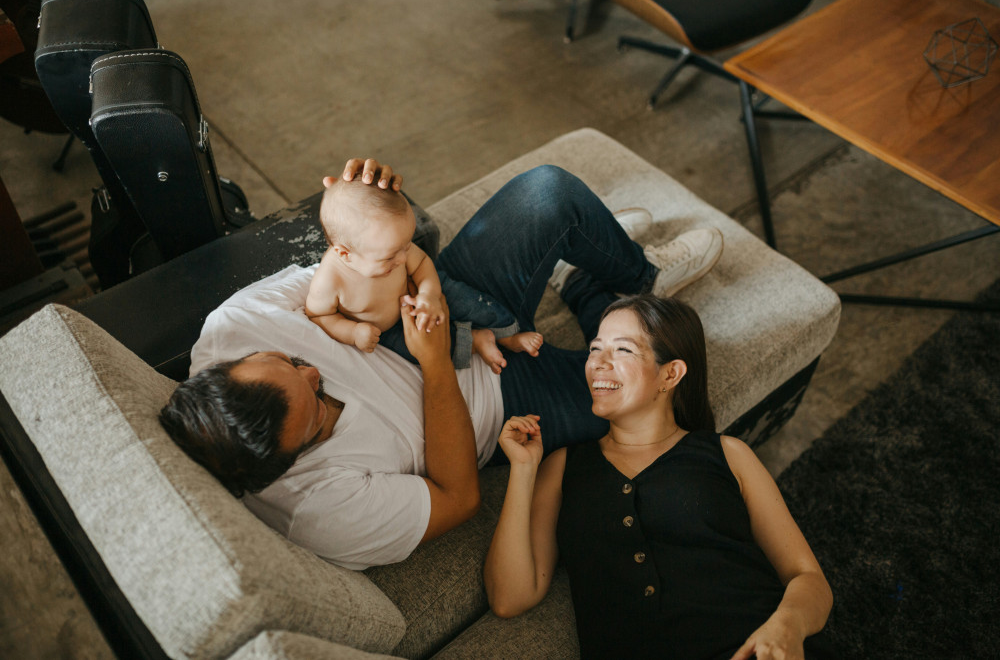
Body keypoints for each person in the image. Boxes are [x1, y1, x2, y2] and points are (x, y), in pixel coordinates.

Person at [158, 158, 725, 570]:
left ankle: (638, 276)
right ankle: (584, 284)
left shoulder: (233, 329)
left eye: (291, 360)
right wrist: (435, 364)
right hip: (499, 404)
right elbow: (459, 498)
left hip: (439, 310)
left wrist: (362, 209)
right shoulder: (318, 512)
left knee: (550, 191)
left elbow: (344, 265)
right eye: (320, 408)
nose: (315, 373)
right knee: (667, 384)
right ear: (291, 460)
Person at [483, 294, 834, 660]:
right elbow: (508, 598)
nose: (597, 363)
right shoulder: (562, 467)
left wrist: (786, 627)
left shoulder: (728, 454)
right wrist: (523, 470)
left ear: (671, 374)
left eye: (623, 350)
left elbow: (808, 577)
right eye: (595, 349)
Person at [307, 176, 543, 373]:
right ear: (345, 254)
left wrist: (429, 295)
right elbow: (320, 316)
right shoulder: (329, 282)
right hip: (389, 331)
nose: (402, 259)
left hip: (418, 290)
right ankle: (477, 341)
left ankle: (507, 334)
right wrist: (353, 332)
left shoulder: (390, 248)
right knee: (416, 353)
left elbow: (421, 264)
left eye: (406, 246)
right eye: (390, 257)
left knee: (469, 300)